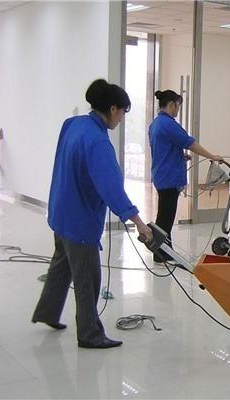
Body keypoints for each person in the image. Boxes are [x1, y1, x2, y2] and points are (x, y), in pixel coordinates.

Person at [32, 79, 153, 349]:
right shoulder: (98, 142)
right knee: (87, 279)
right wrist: (138, 222)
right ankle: (89, 334)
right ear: (112, 109)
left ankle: (47, 312)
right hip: (79, 221)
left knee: (61, 266)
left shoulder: (73, 124)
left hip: (61, 211)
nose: (122, 118)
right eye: (123, 112)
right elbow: (111, 188)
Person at [149, 90, 223, 263]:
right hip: (169, 178)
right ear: (171, 105)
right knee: (165, 218)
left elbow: (162, 149)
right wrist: (212, 156)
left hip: (161, 175)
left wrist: (179, 156)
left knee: (164, 216)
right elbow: (190, 143)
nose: (178, 110)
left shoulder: (155, 124)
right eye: (177, 106)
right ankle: (161, 254)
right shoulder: (169, 124)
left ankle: (164, 252)